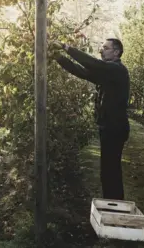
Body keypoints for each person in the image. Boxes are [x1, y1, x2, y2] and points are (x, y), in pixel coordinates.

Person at [51, 38, 130, 200]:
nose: (101, 50)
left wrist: (67, 48)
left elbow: (93, 64)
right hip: (109, 127)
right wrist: (58, 58)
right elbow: (82, 72)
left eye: (105, 48)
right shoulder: (108, 73)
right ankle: (112, 203)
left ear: (116, 52)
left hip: (114, 128)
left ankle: (114, 204)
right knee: (108, 170)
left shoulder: (117, 70)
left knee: (110, 170)